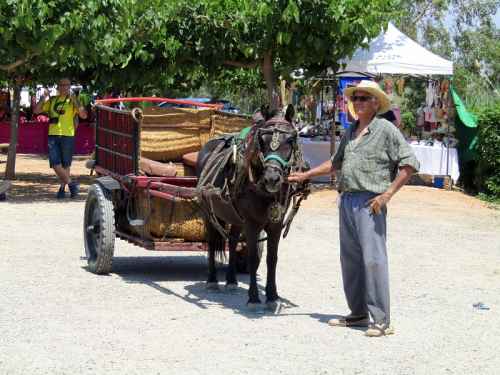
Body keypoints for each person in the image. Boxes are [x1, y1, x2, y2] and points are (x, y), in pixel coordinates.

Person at [288, 80, 419, 337]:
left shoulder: (386, 130)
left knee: (373, 260)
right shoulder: (350, 131)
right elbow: (335, 163)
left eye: (363, 98)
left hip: (371, 202)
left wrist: (387, 195)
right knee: (350, 261)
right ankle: (358, 314)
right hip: (347, 201)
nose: (357, 102)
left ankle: (381, 320)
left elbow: (410, 164)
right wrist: (305, 175)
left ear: (375, 103)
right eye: (355, 98)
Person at [34, 78, 88, 198]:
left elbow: (83, 115)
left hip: (68, 134)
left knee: (66, 164)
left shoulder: (73, 101)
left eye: (67, 85)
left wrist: (76, 101)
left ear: (70, 87)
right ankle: (71, 184)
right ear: (58, 86)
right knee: (54, 163)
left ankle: (62, 189)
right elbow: (36, 110)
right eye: (62, 85)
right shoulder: (53, 100)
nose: (64, 87)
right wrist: (43, 98)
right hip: (53, 134)